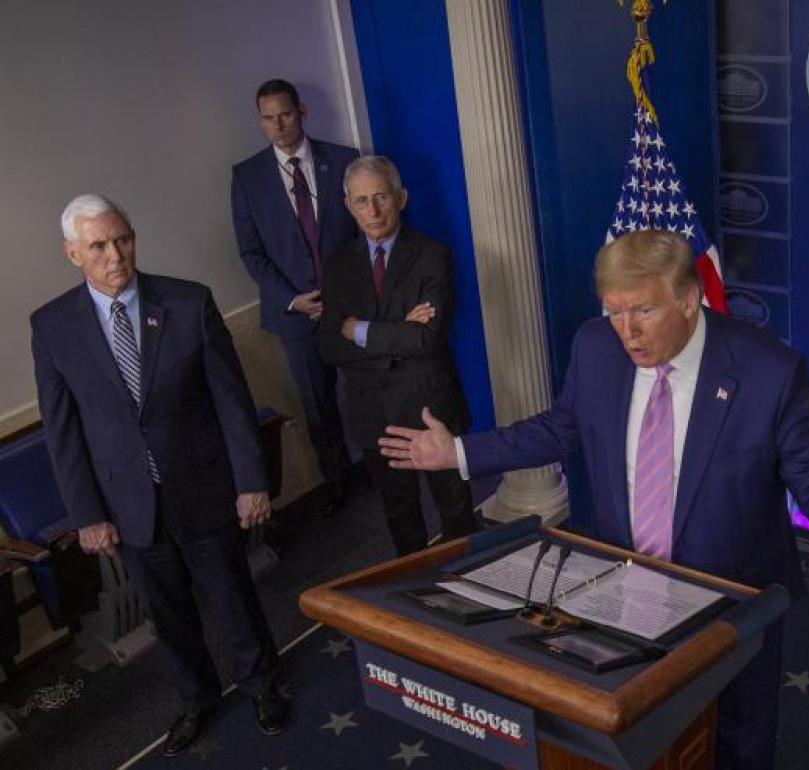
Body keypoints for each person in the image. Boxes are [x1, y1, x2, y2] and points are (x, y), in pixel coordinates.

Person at [379, 229, 809, 770]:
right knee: (634, 727)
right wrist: (459, 454)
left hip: (732, 599)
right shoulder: (596, 347)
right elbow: (561, 426)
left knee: (740, 736)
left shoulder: (768, 373)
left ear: (689, 300)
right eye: (614, 312)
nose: (627, 331)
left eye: (642, 310)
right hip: (621, 587)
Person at [31, 195, 288, 756]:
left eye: (122, 238)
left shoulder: (188, 302)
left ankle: (265, 686)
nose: (115, 254)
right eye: (98, 245)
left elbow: (230, 401)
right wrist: (89, 515)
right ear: (73, 253)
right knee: (169, 616)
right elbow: (64, 431)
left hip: (204, 489)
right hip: (129, 506)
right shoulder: (52, 328)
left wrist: (250, 480)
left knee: (233, 598)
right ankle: (197, 700)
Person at [317, 156, 478, 555]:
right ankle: (414, 598)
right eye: (361, 201)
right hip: (374, 414)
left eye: (381, 198)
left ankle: (475, 592)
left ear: (401, 198)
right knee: (400, 516)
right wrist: (398, 331)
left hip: (430, 409)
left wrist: (358, 329)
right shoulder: (337, 267)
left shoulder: (432, 255)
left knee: (456, 511)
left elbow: (427, 340)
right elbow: (326, 346)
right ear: (347, 205)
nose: (371, 211)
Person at [230, 78, 357, 515]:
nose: (278, 125)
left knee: (367, 390)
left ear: (302, 112)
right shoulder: (247, 177)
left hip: (351, 305)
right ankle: (340, 485)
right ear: (260, 122)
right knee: (317, 405)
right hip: (295, 315)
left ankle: (386, 465)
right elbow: (251, 252)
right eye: (268, 119)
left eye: (285, 114)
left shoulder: (343, 160)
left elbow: (364, 233)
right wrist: (292, 298)